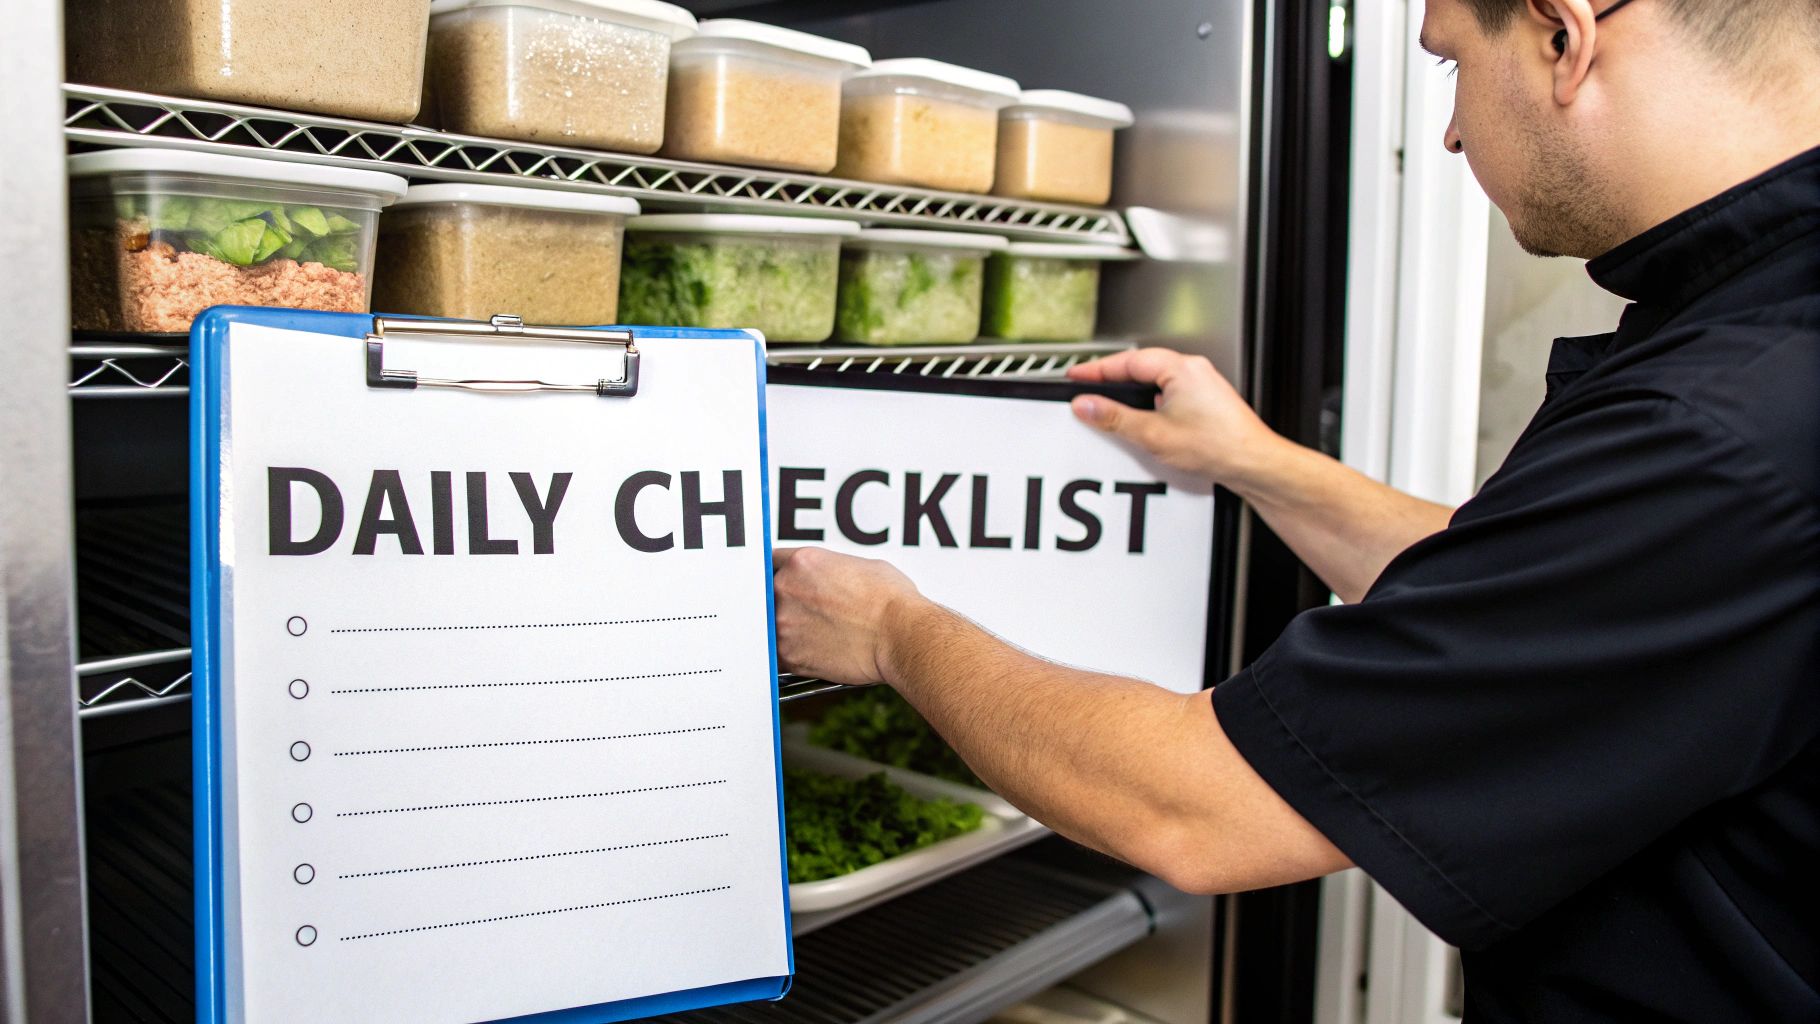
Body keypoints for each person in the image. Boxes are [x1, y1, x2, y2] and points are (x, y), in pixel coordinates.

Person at [772, 0, 1820, 1019]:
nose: (1448, 130)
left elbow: (1193, 807)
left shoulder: (1720, 422)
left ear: (1563, 33)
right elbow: (1543, 609)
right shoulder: (1754, 347)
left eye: (1448, 62)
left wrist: (892, 631)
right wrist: (1253, 461)